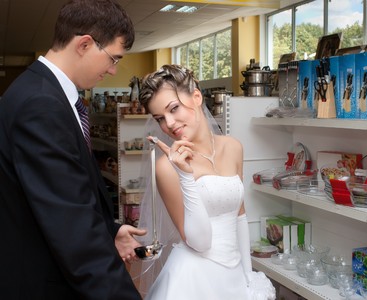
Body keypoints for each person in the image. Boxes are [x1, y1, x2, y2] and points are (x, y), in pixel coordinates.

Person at [0, 0, 146, 299]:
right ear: (84, 44)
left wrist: (110, 230)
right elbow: (72, 228)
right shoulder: (41, 105)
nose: (112, 70)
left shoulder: (42, 92)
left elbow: (65, 189)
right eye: (113, 58)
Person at [132, 64, 275, 299]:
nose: (169, 123)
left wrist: (248, 277)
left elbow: (239, 215)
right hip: (194, 280)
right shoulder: (166, 167)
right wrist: (186, 176)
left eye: (174, 108)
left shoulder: (233, 146)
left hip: (235, 275)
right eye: (160, 118)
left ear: (196, 97)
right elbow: (199, 242)